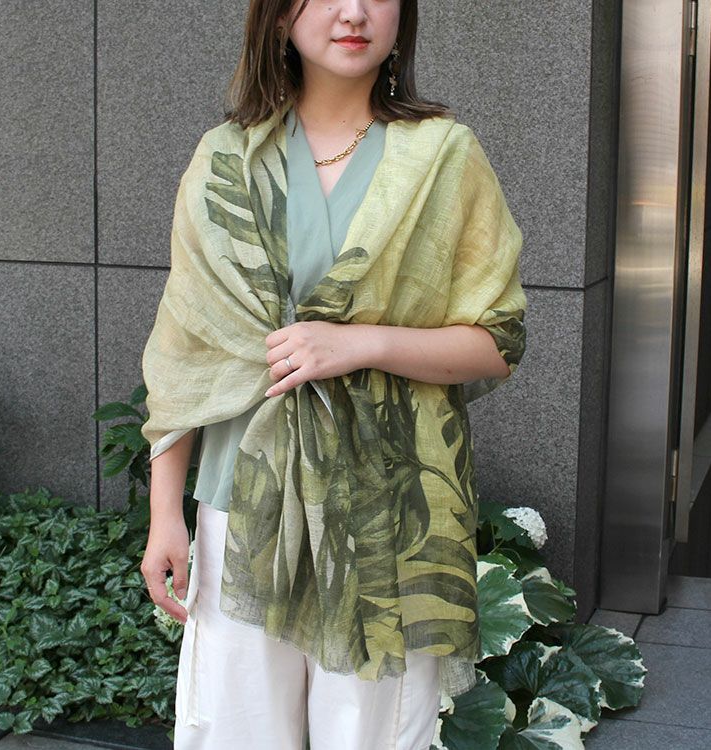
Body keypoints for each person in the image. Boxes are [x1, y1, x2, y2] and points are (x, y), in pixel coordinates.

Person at [139, 1, 528, 748]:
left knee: (368, 734)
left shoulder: (441, 155)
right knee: (239, 731)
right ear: (279, 16)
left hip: (390, 502)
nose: (353, 12)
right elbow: (185, 355)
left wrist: (361, 343)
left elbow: (496, 339)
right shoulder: (227, 160)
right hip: (244, 500)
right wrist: (166, 516)